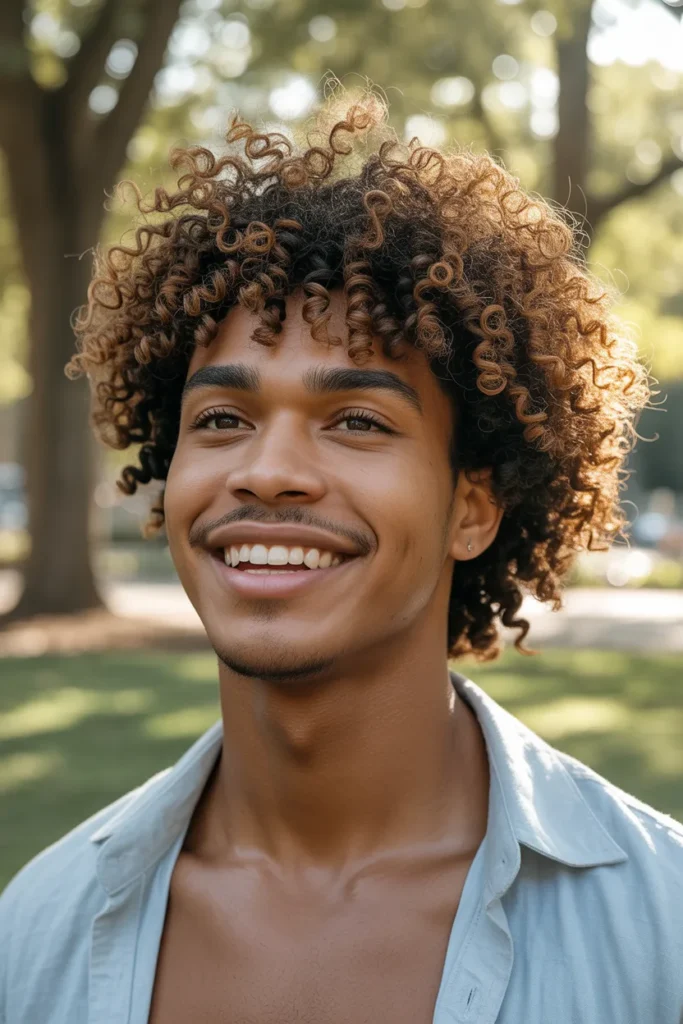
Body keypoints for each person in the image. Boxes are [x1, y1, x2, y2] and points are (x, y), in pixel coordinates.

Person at [1, 93, 681, 1024]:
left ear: (472, 507)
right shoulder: (36, 934)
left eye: (357, 420)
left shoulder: (660, 930)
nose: (267, 470)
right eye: (222, 420)